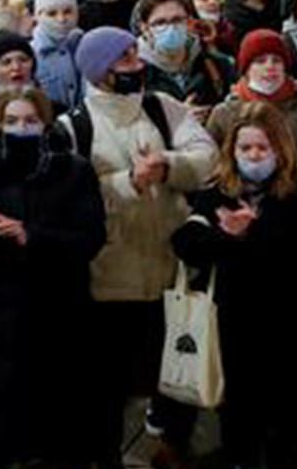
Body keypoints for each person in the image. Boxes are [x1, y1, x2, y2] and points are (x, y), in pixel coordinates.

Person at [63, 27, 217, 469]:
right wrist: (127, 183)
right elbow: (73, 194)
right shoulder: (75, 127)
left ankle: (173, 447)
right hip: (111, 279)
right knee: (107, 386)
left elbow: (206, 158)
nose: (137, 64)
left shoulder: (161, 108)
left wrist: (168, 166)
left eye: (135, 54)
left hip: (171, 270)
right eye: (125, 58)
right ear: (100, 70)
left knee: (176, 376)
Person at [171, 102, 297, 469]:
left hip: (294, 322)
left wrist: (251, 232)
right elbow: (185, 242)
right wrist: (229, 238)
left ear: (281, 148)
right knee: (241, 415)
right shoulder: (219, 189)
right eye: (245, 148)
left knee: (291, 415)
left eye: (263, 147)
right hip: (237, 323)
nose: (254, 156)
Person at [0, 89, 104, 468]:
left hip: (57, 310)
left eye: (29, 120)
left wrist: (33, 236)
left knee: (57, 421)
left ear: (45, 124)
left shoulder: (73, 171)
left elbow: (91, 238)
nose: (21, 129)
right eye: (11, 121)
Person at [206, 29, 297, 153]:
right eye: (260, 61)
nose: (270, 67)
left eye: (277, 61)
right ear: (246, 70)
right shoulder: (224, 114)